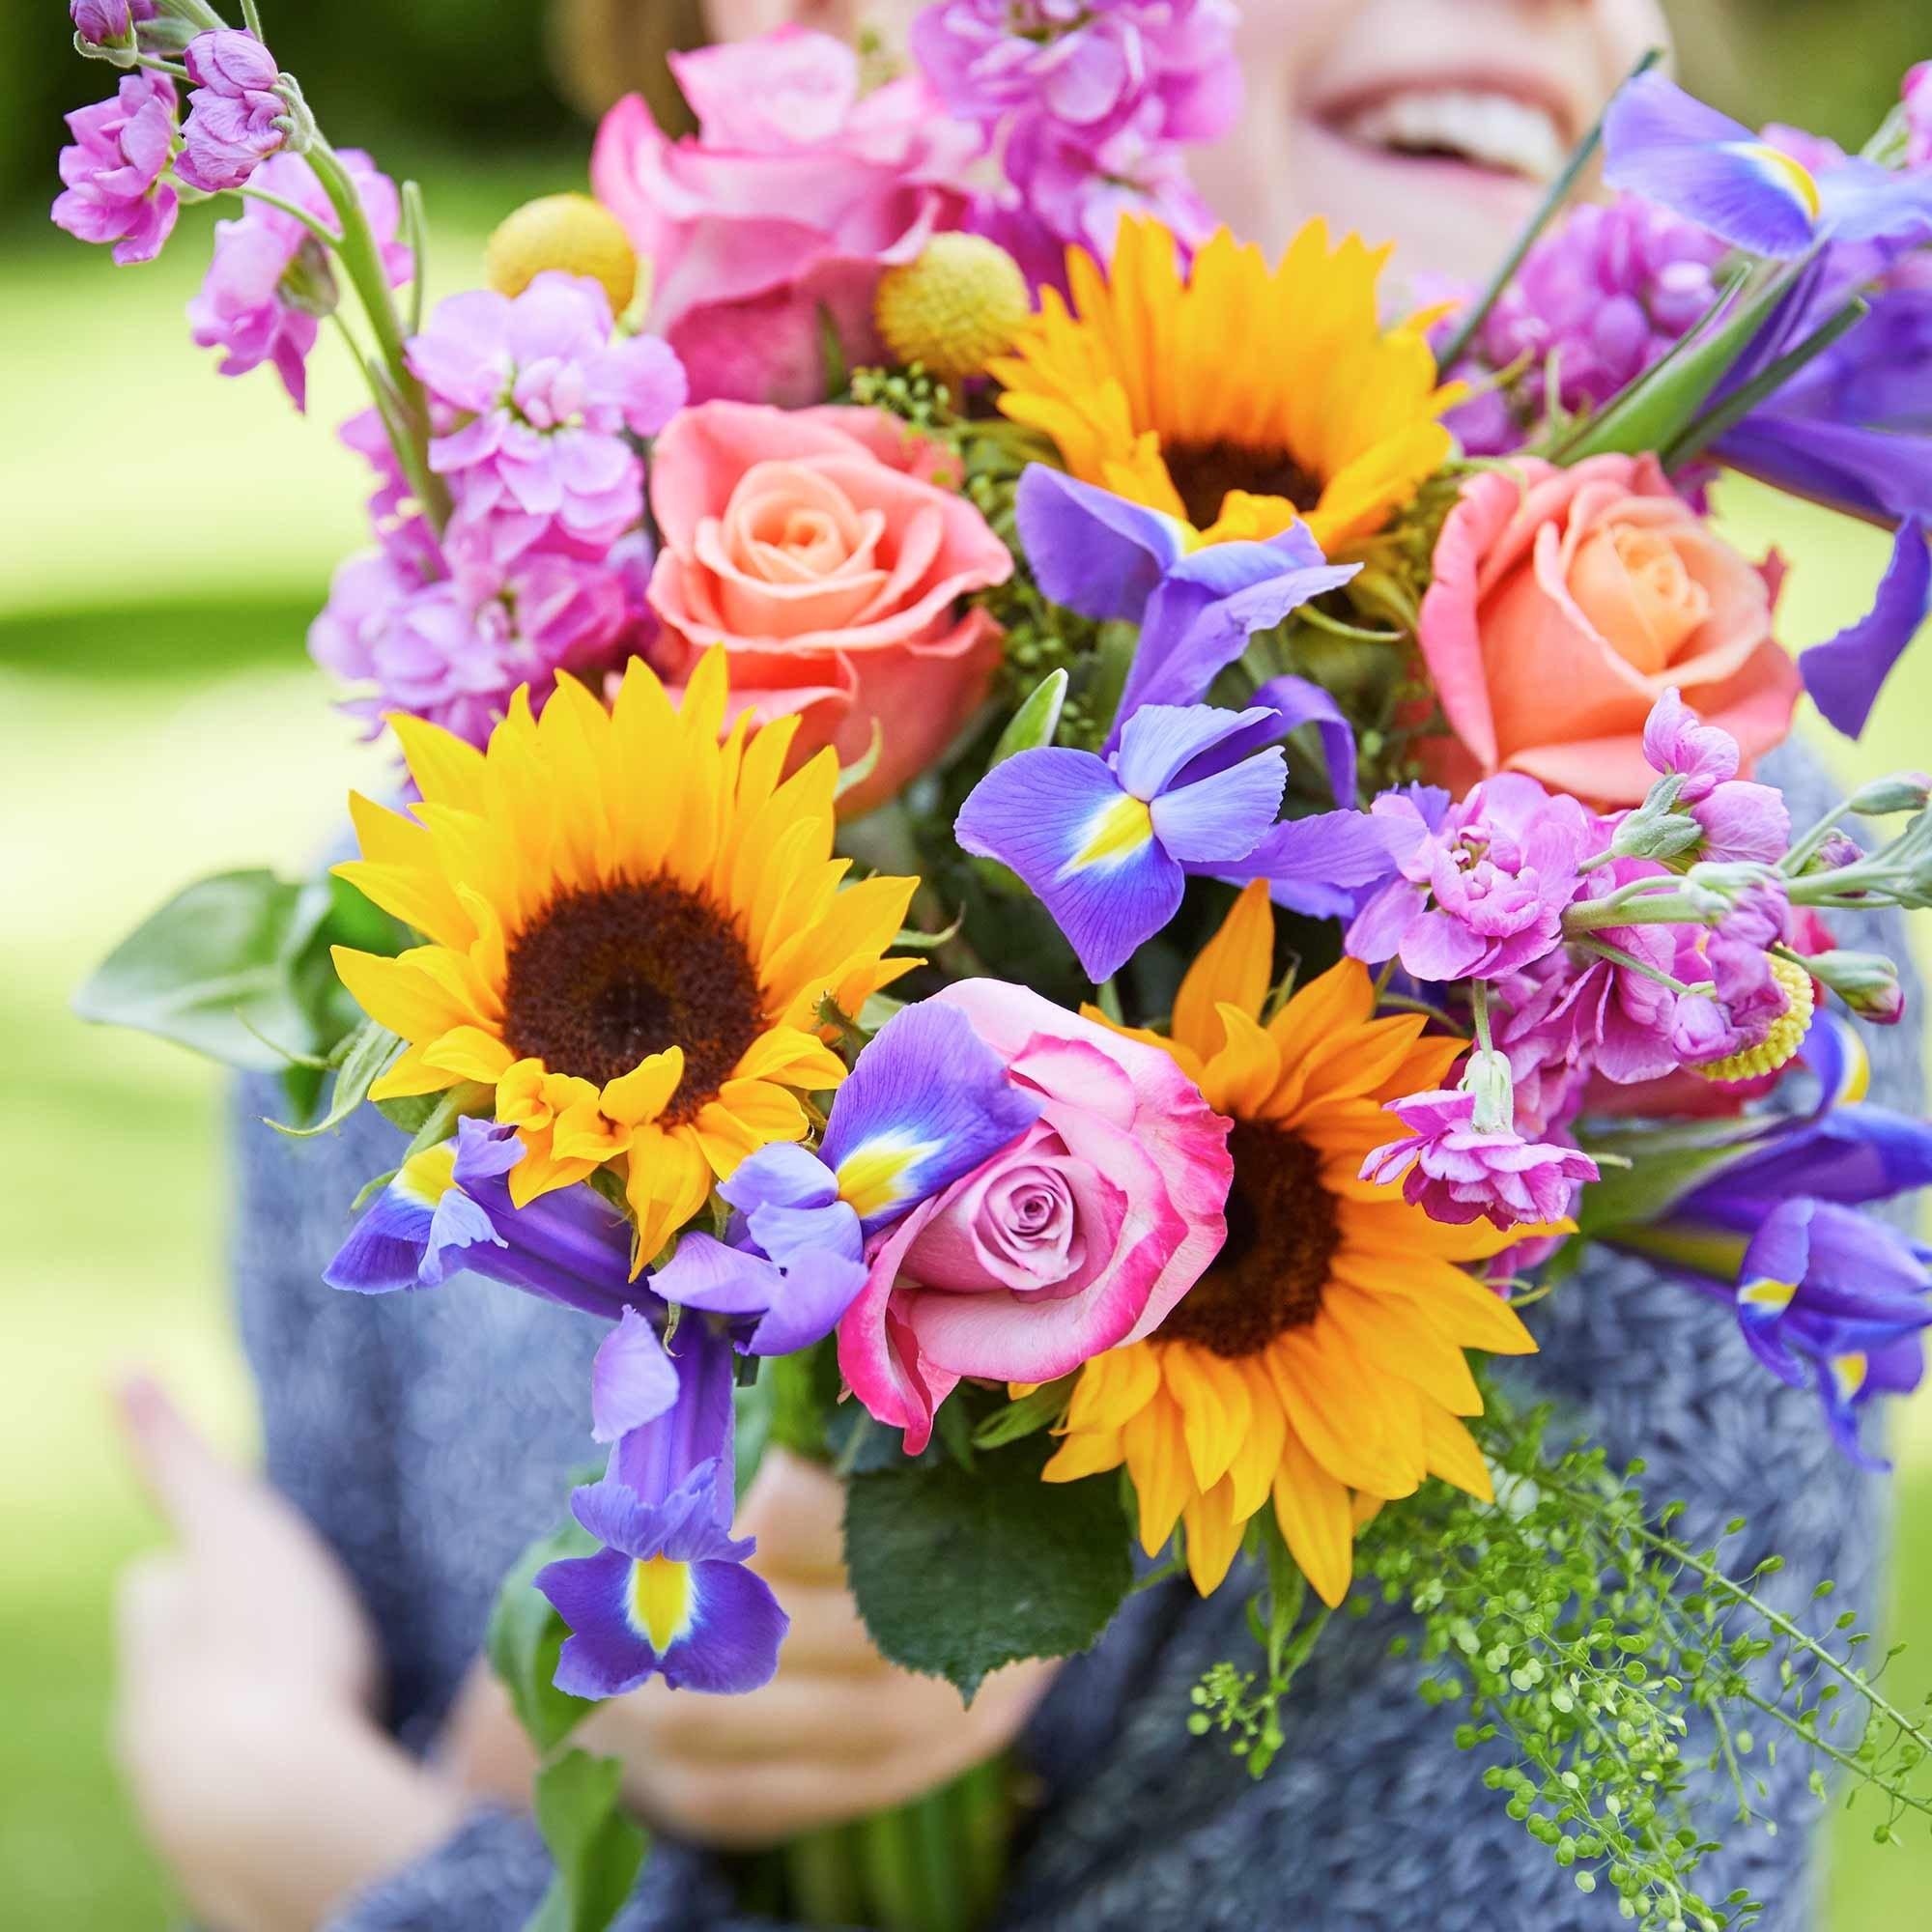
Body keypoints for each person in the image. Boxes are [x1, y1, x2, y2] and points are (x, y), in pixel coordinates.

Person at [110, 3, 1921, 1928]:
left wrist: (322, 1852)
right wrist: (532, 1738)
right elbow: (488, 1681)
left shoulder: (1660, 972)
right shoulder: (421, 939)